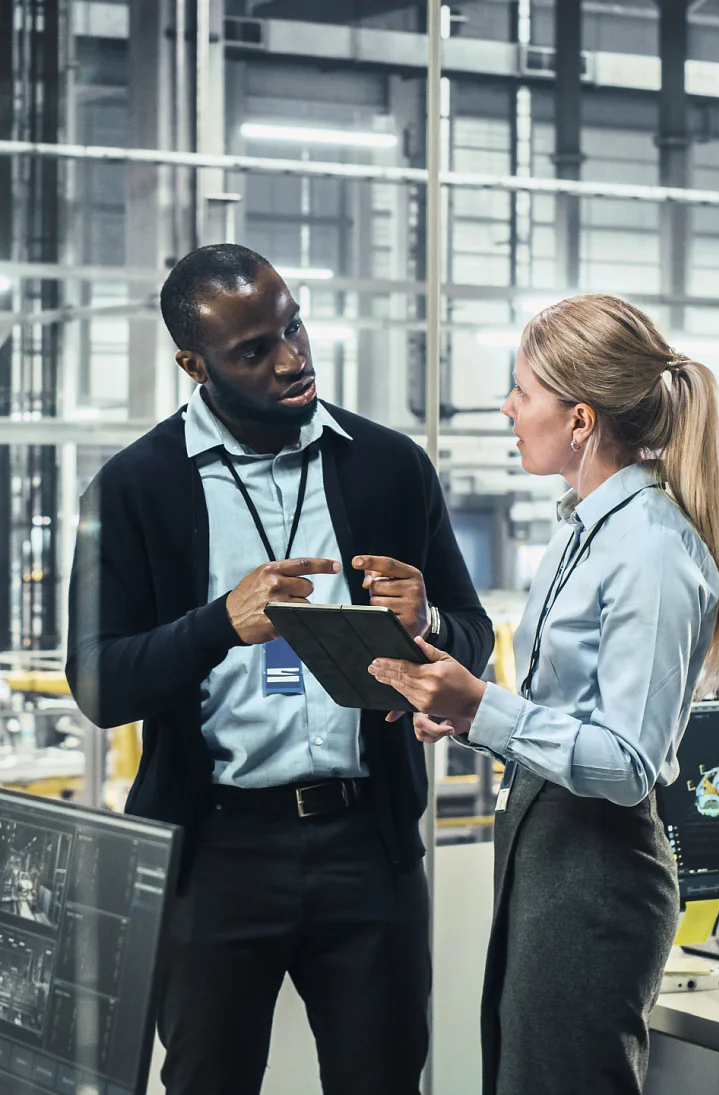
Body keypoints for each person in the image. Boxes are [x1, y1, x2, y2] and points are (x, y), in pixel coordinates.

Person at [65, 243, 494, 1095]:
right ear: (194, 365)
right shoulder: (133, 490)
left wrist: (432, 622)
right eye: (254, 350)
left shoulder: (389, 466)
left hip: (367, 847)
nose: (293, 359)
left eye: (293, 327)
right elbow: (99, 685)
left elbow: (471, 637)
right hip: (213, 854)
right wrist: (219, 624)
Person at [368, 294, 719, 1095]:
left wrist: (482, 705)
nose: (506, 408)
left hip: (597, 868)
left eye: (521, 390)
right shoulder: (584, 531)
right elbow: (568, 714)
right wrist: (463, 711)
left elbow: (626, 762)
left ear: (579, 420)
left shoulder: (650, 550)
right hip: (544, 848)